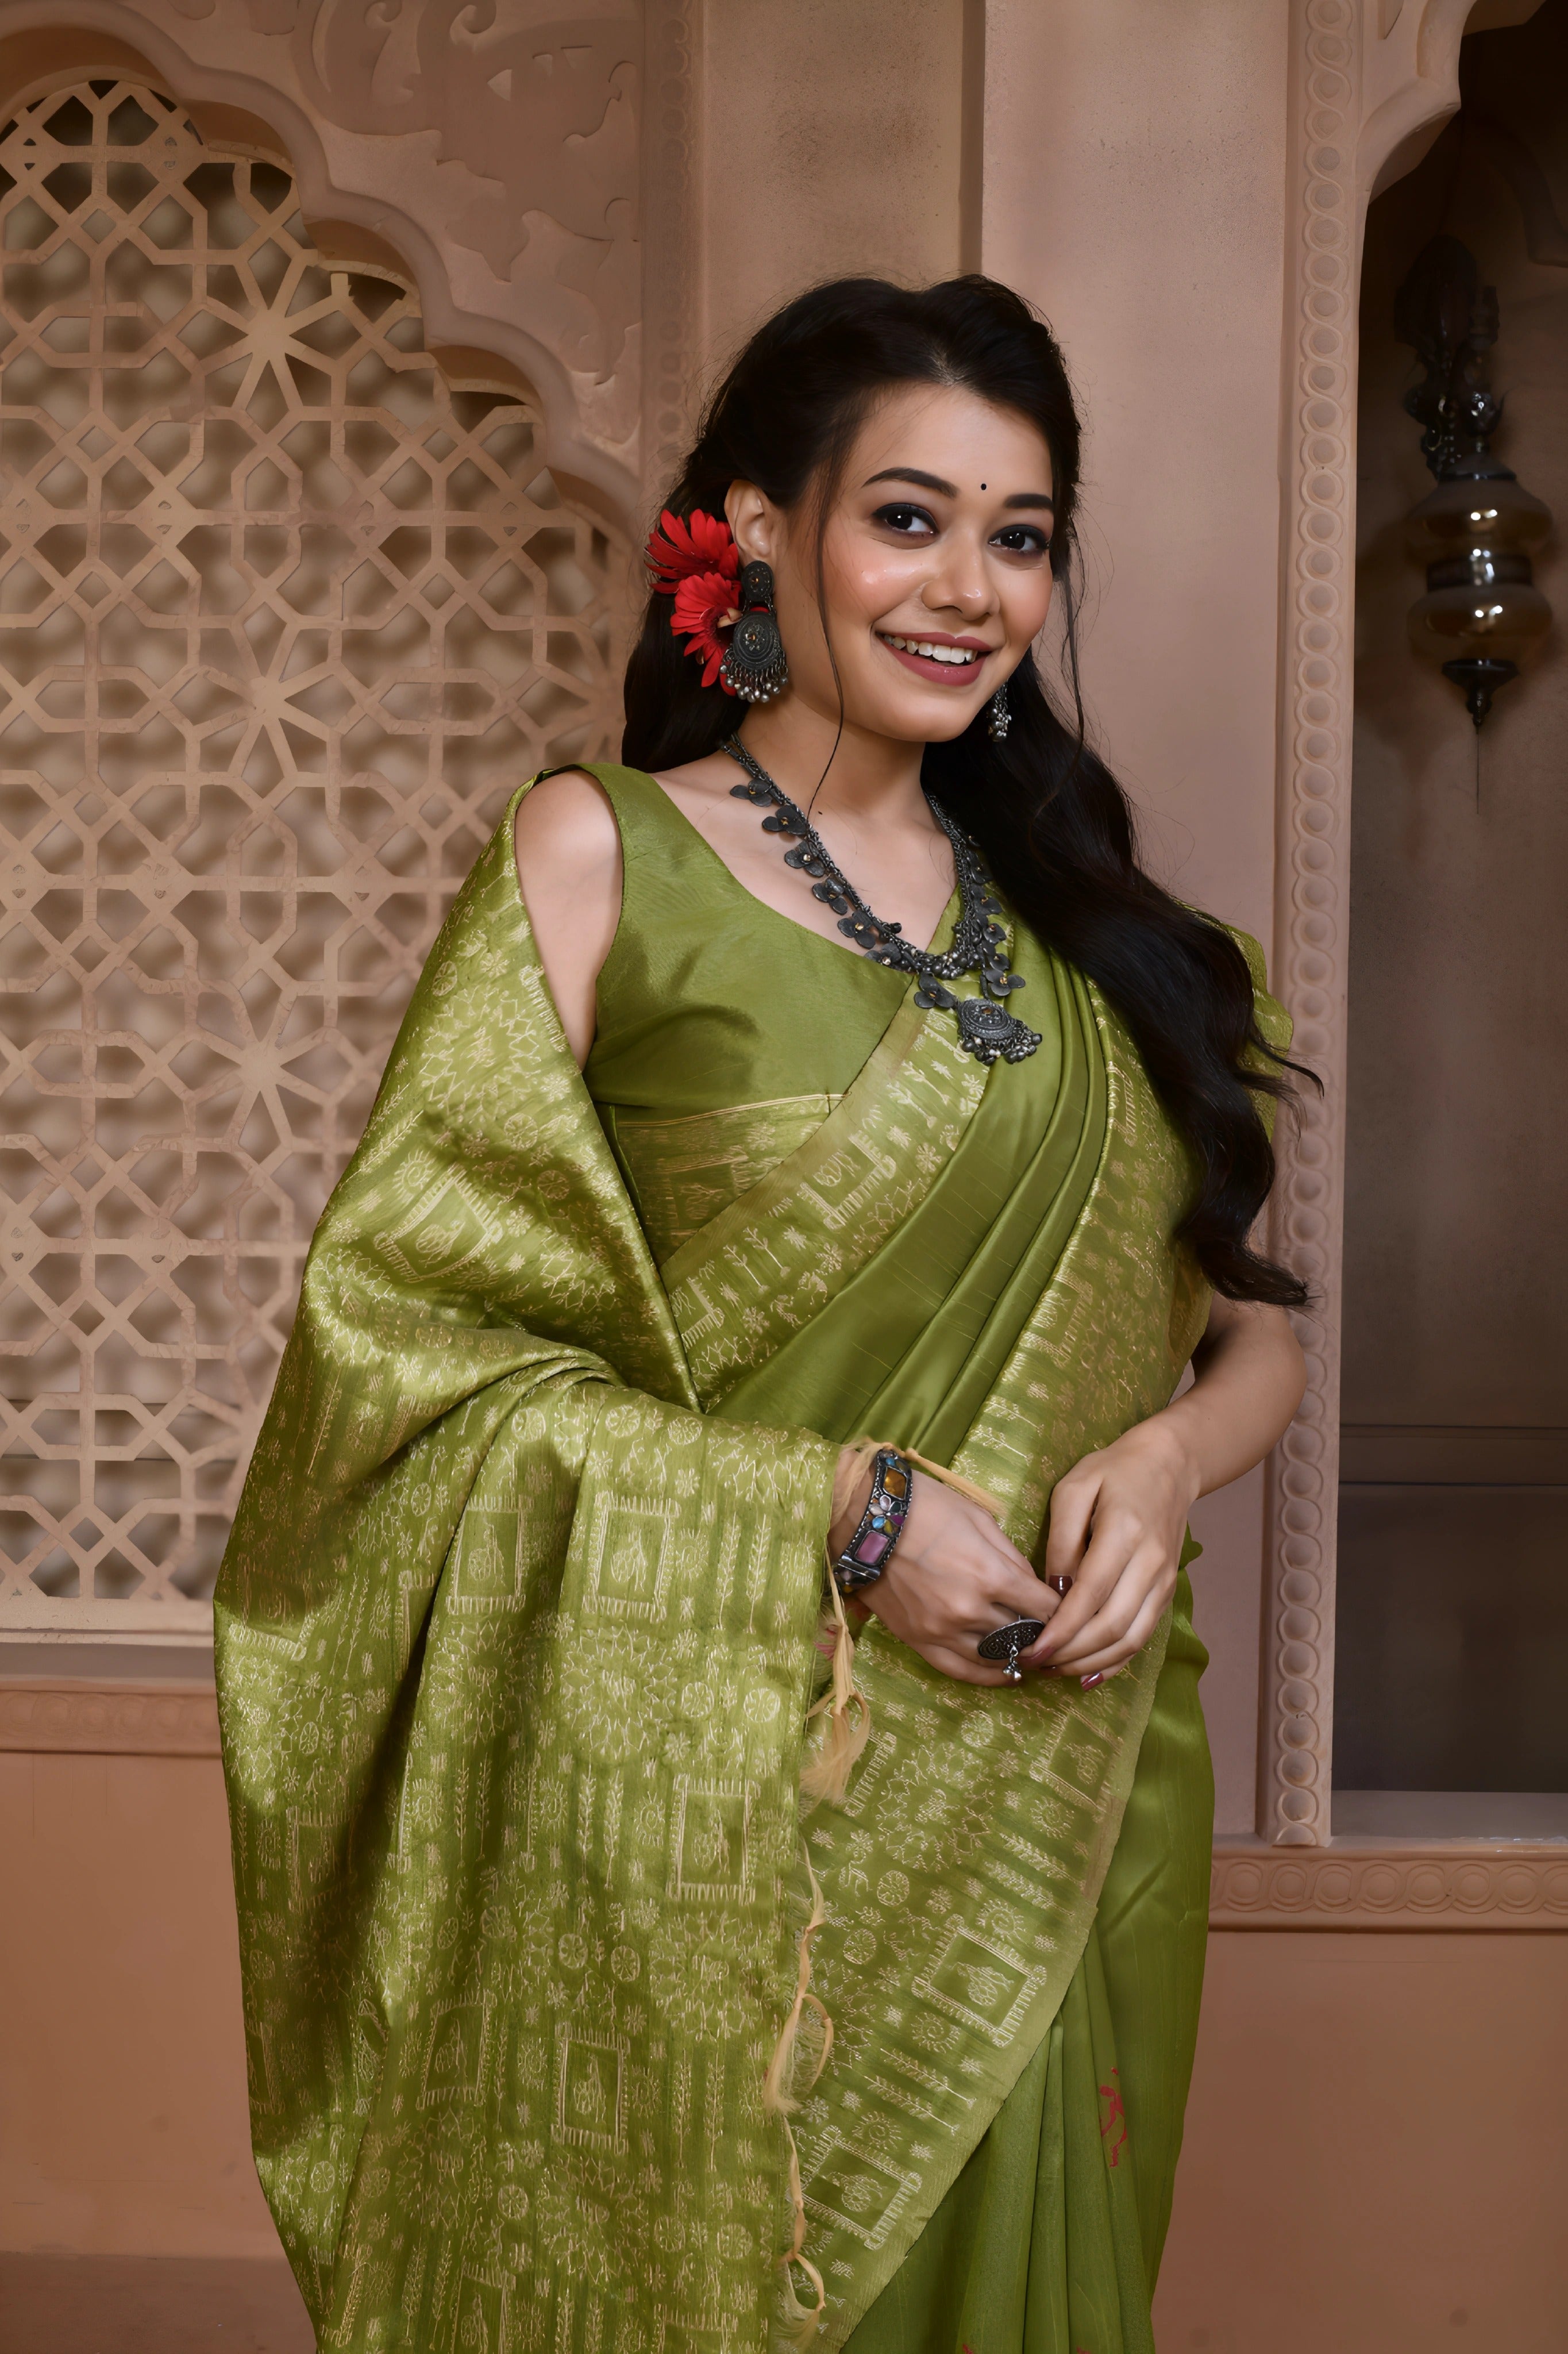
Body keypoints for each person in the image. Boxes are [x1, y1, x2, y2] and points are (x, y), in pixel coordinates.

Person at [215, 275, 1307, 2354]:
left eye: (1020, 534)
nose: (968, 586)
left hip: (1054, 1786)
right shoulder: (599, 855)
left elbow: (1247, 1328)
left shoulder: (1118, 947)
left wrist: (1167, 1464)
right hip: (695, 1798)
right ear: (760, 528)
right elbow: (413, 1380)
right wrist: (840, 1514)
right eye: (907, 517)